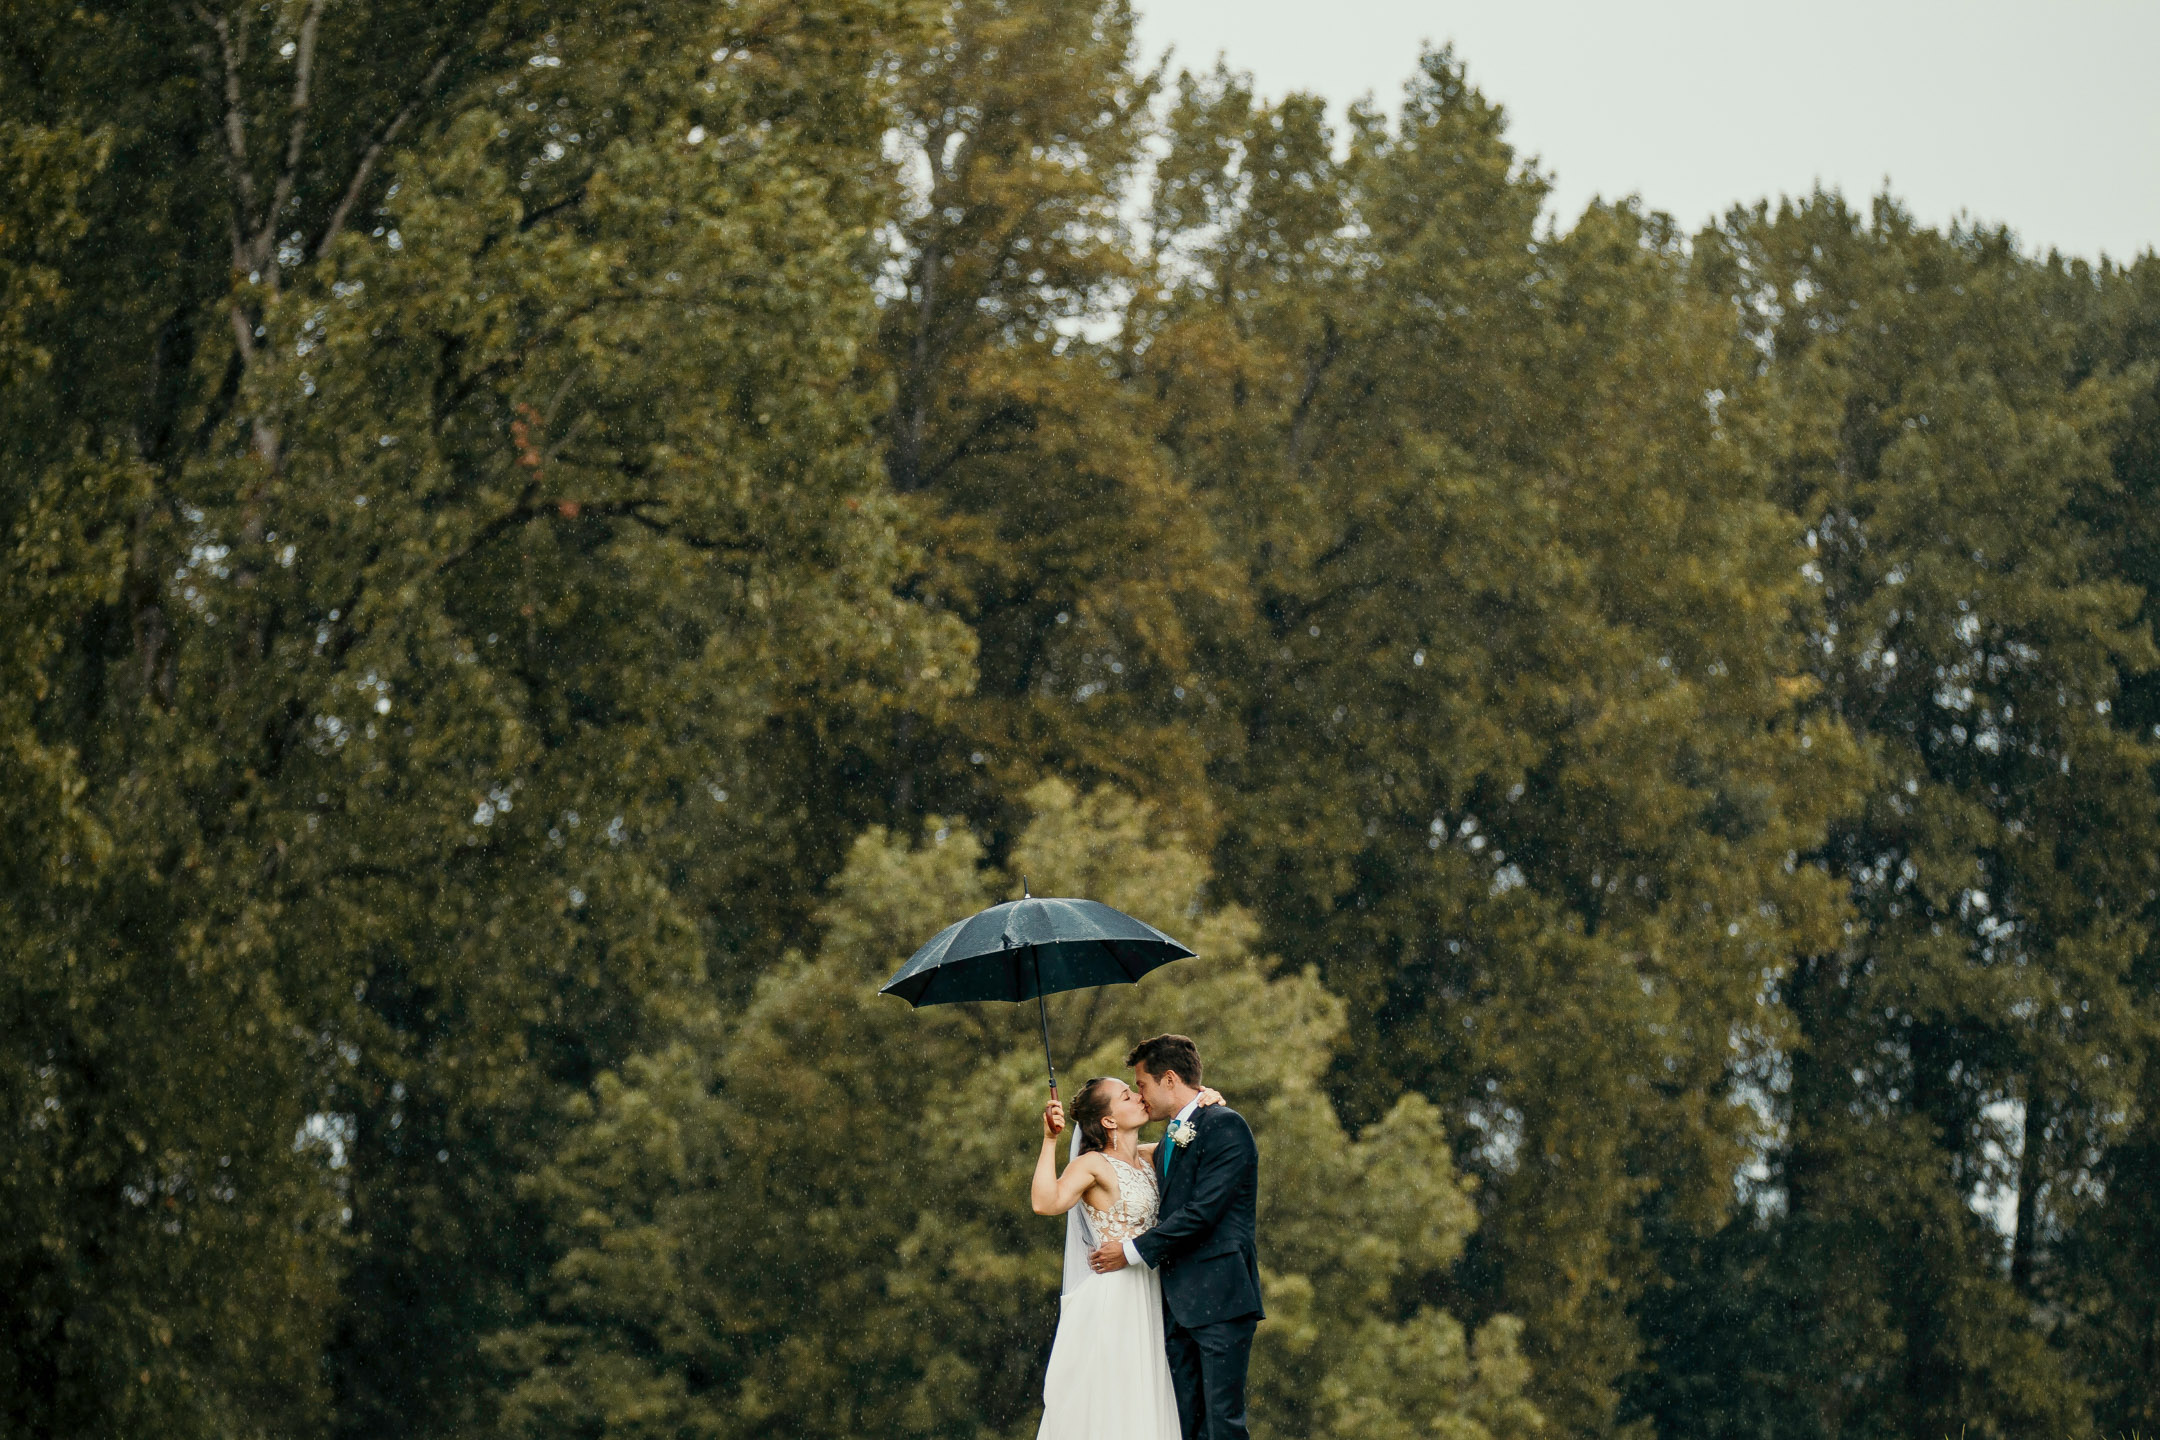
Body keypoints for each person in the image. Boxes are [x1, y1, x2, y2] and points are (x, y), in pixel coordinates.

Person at [1029, 1068, 1230, 1440]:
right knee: (1117, 1402)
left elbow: (1198, 1136)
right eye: (1126, 1096)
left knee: (1152, 1400)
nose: (1138, 1097)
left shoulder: (1152, 1156)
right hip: (1114, 1301)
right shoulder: (1093, 1164)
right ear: (1108, 1120)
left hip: (1154, 1293)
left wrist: (1206, 1100)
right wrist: (1049, 1140)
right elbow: (1046, 1202)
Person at [1088, 1035, 1263, 1440]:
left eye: (1143, 1086)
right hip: (1176, 1304)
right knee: (1188, 1425)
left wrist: (1131, 1251)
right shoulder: (1171, 1134)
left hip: (1221, 1299)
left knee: (1223, 1424)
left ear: (1169, 1079)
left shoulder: (1224, 1125)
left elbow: (1202, 1213)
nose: (1141, 1097)